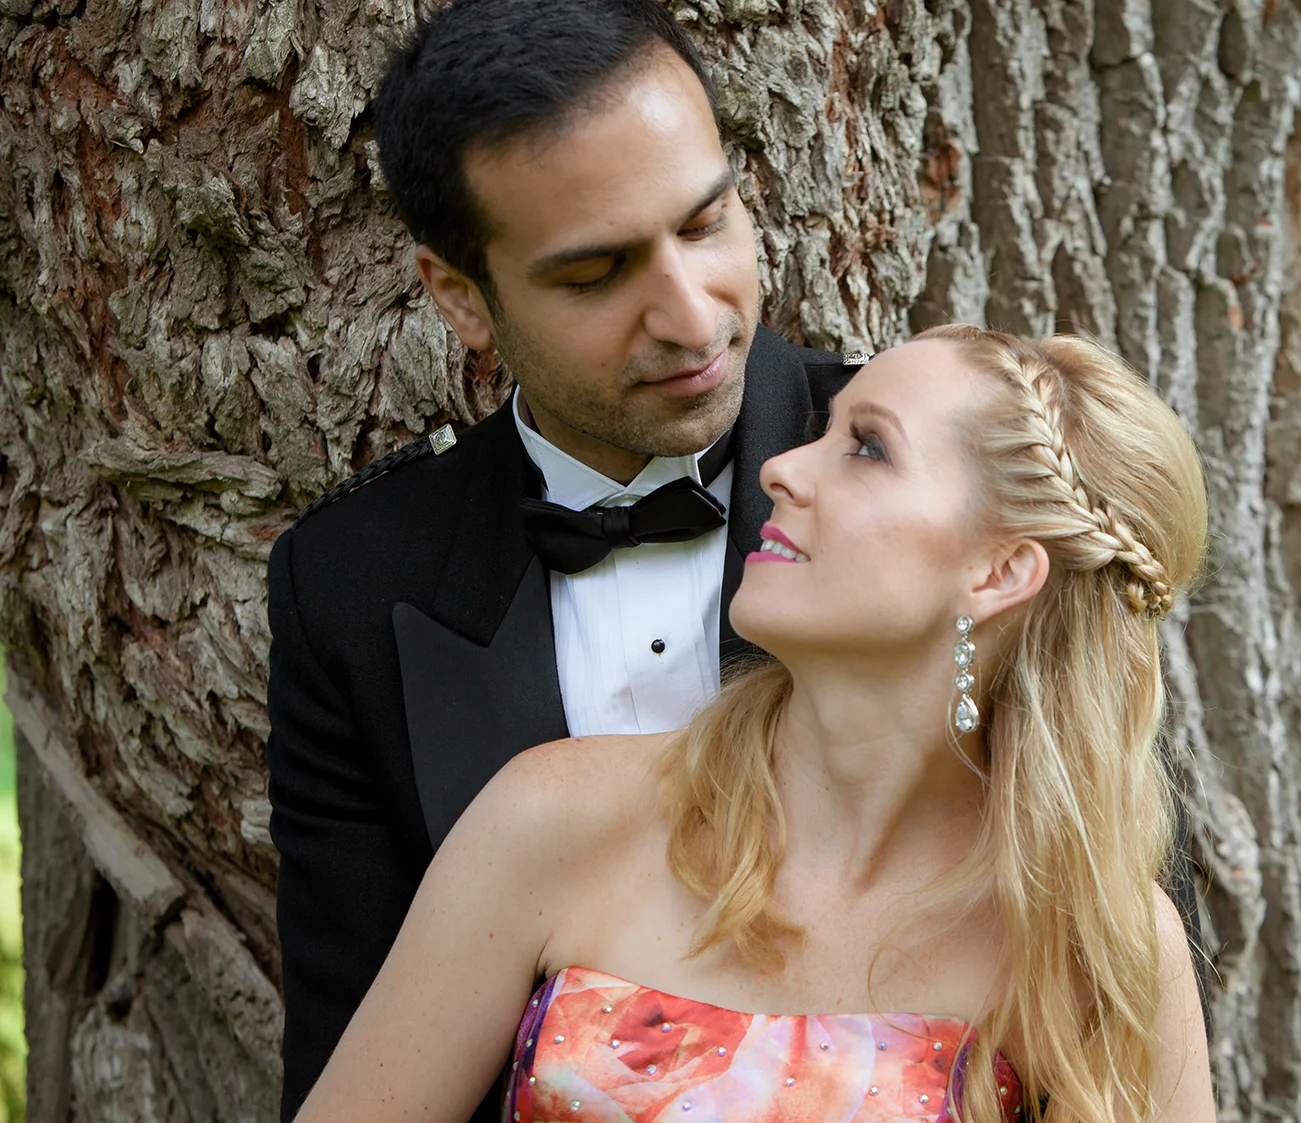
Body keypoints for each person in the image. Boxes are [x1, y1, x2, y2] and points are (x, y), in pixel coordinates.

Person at [264, 0, 1206, 1119]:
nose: (690, 312)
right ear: (461, 296)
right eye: (595, 274)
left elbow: (1083, 800)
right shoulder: (357, 586)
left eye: (705, 225)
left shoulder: (973, 467)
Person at [293, 327, 1215, 1123]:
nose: (779, 465)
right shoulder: (555, 816)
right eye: (823, 428)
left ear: (999, 572)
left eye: (866, 448)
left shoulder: (1092, 942)